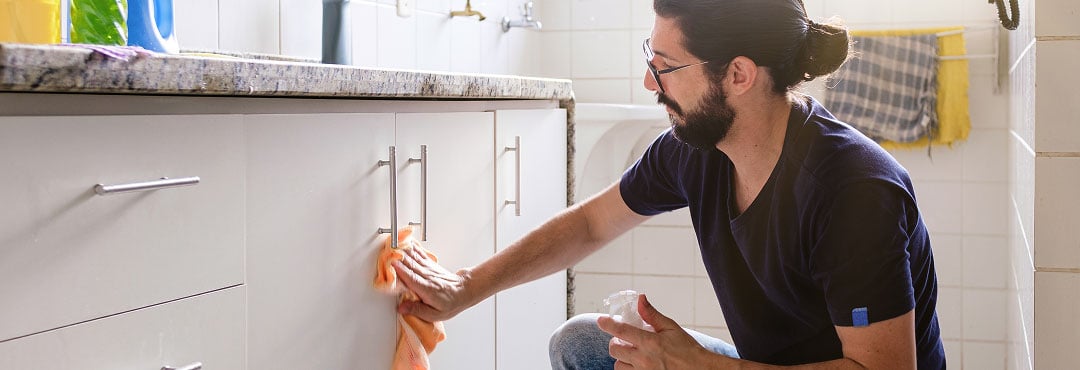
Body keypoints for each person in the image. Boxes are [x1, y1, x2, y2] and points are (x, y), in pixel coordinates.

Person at [389, 0, 945, 368]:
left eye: (666, 66)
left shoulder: (853, 188)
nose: (649, 81)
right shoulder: (694, 149)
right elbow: (590, 223)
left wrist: (705, 367)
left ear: (739, 75)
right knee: (583, 345)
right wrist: (466, 287)